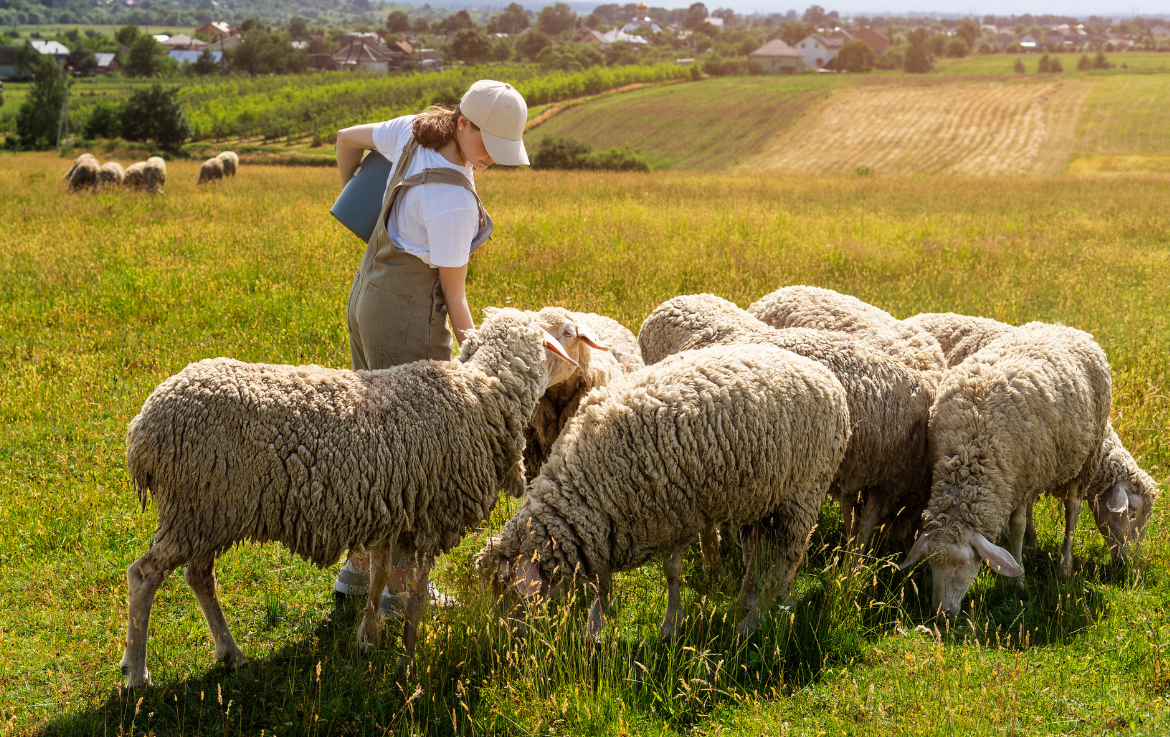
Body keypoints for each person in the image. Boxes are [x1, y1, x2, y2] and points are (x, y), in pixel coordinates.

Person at [330, 80, 530, 613]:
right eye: (490, 145)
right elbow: (454, 296)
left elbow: (347, 139)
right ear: (464, 123)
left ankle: (358, 568)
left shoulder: (412, 132)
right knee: (412, 456)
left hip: (368, 297)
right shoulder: (452, 203)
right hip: (407, 321)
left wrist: (356, 196)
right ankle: (400, 588)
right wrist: (483, 363)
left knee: (372, 435)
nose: (494, 160)